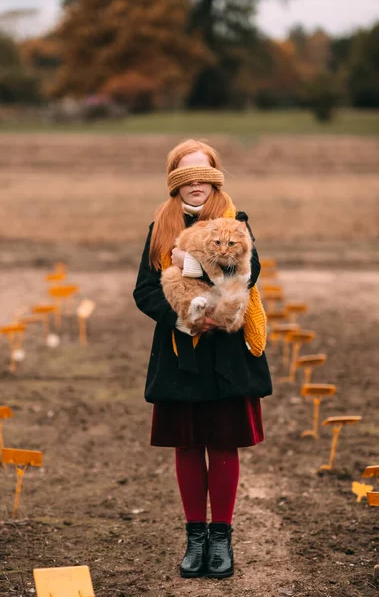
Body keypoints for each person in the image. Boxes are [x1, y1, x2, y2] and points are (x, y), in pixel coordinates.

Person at [133, 139, 272, 579]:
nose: (196, 185)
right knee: (188, 444)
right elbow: (145, 290)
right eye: (186, 177)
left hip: (228, 354)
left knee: (223, 441)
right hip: (180, 354)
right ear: (175, 182)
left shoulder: (237, 222)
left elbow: (251, 274)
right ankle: (195, 538)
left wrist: (209, 291)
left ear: (216, 179)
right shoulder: (159, 228)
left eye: (204, 176)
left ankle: (221, 539)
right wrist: (182, 321)